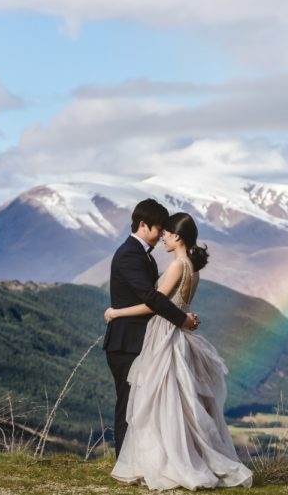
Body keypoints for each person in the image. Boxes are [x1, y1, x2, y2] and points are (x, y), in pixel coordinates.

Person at [104, 212, 252, 490]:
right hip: (178, 334)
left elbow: (152, 304)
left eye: (167, 234)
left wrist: (116, 312)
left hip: (162, 334)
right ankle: (177, 458)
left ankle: (166, 462)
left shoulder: (176, 266)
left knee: (158, 401)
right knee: (177, 401)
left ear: (178, 236)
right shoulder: (192, 268)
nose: (163, 238)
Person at [104, 199, 199, 457]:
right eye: (159, 229)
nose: (162, 235)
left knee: (142, 405)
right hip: (126, 342)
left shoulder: (143, 255)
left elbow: (157, 298)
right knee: (128, 405)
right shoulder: (129, 254)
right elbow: (152, 297)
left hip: (145, 339)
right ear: (143, 225)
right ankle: (123, 461)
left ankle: (141, 460)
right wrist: (183, 319)